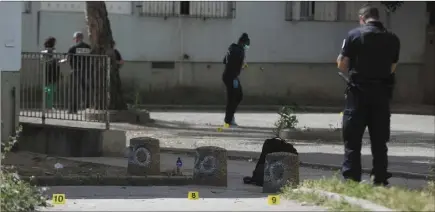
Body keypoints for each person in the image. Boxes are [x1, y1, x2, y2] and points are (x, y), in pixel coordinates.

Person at [336, 4, 400, 186]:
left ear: (362, 19)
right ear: (377, 18)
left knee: (352, 140)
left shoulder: (354, 35)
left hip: (358, 95)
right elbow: (392, 67)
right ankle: (379, 178)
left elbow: (342, 65)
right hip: (381, 95)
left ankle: (351, 178)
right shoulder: (393, 38)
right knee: (379, 141)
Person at [222, 33, 250, 127]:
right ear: (243, 43)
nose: (247, 47)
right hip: (232, 77)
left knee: (236, 96)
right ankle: (229, 120)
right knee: (235, 97)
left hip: (230, 76)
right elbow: (234, 64)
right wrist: (241, 66)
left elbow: (224, 61)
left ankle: (229, 118)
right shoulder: (239, 51)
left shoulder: (233, 48)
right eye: (246, 45)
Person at [66, 31, 92, 113]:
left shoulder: (73, 47)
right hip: (86, 71)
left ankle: (72, 109)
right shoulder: (88, 47)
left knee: (73, 90)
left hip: (75, 70)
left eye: (74, 38)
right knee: (86, 89)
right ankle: (87, 107)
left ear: (76, 38)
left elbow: (68, 59)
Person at [41, 36, 60, 110]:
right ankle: (49, 106)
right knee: (50, 90)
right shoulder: (51, 51)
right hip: (52, 72)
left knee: (47, 90)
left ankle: (47, 105)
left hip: (47, 72)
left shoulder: (44, 51)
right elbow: (52, 60)